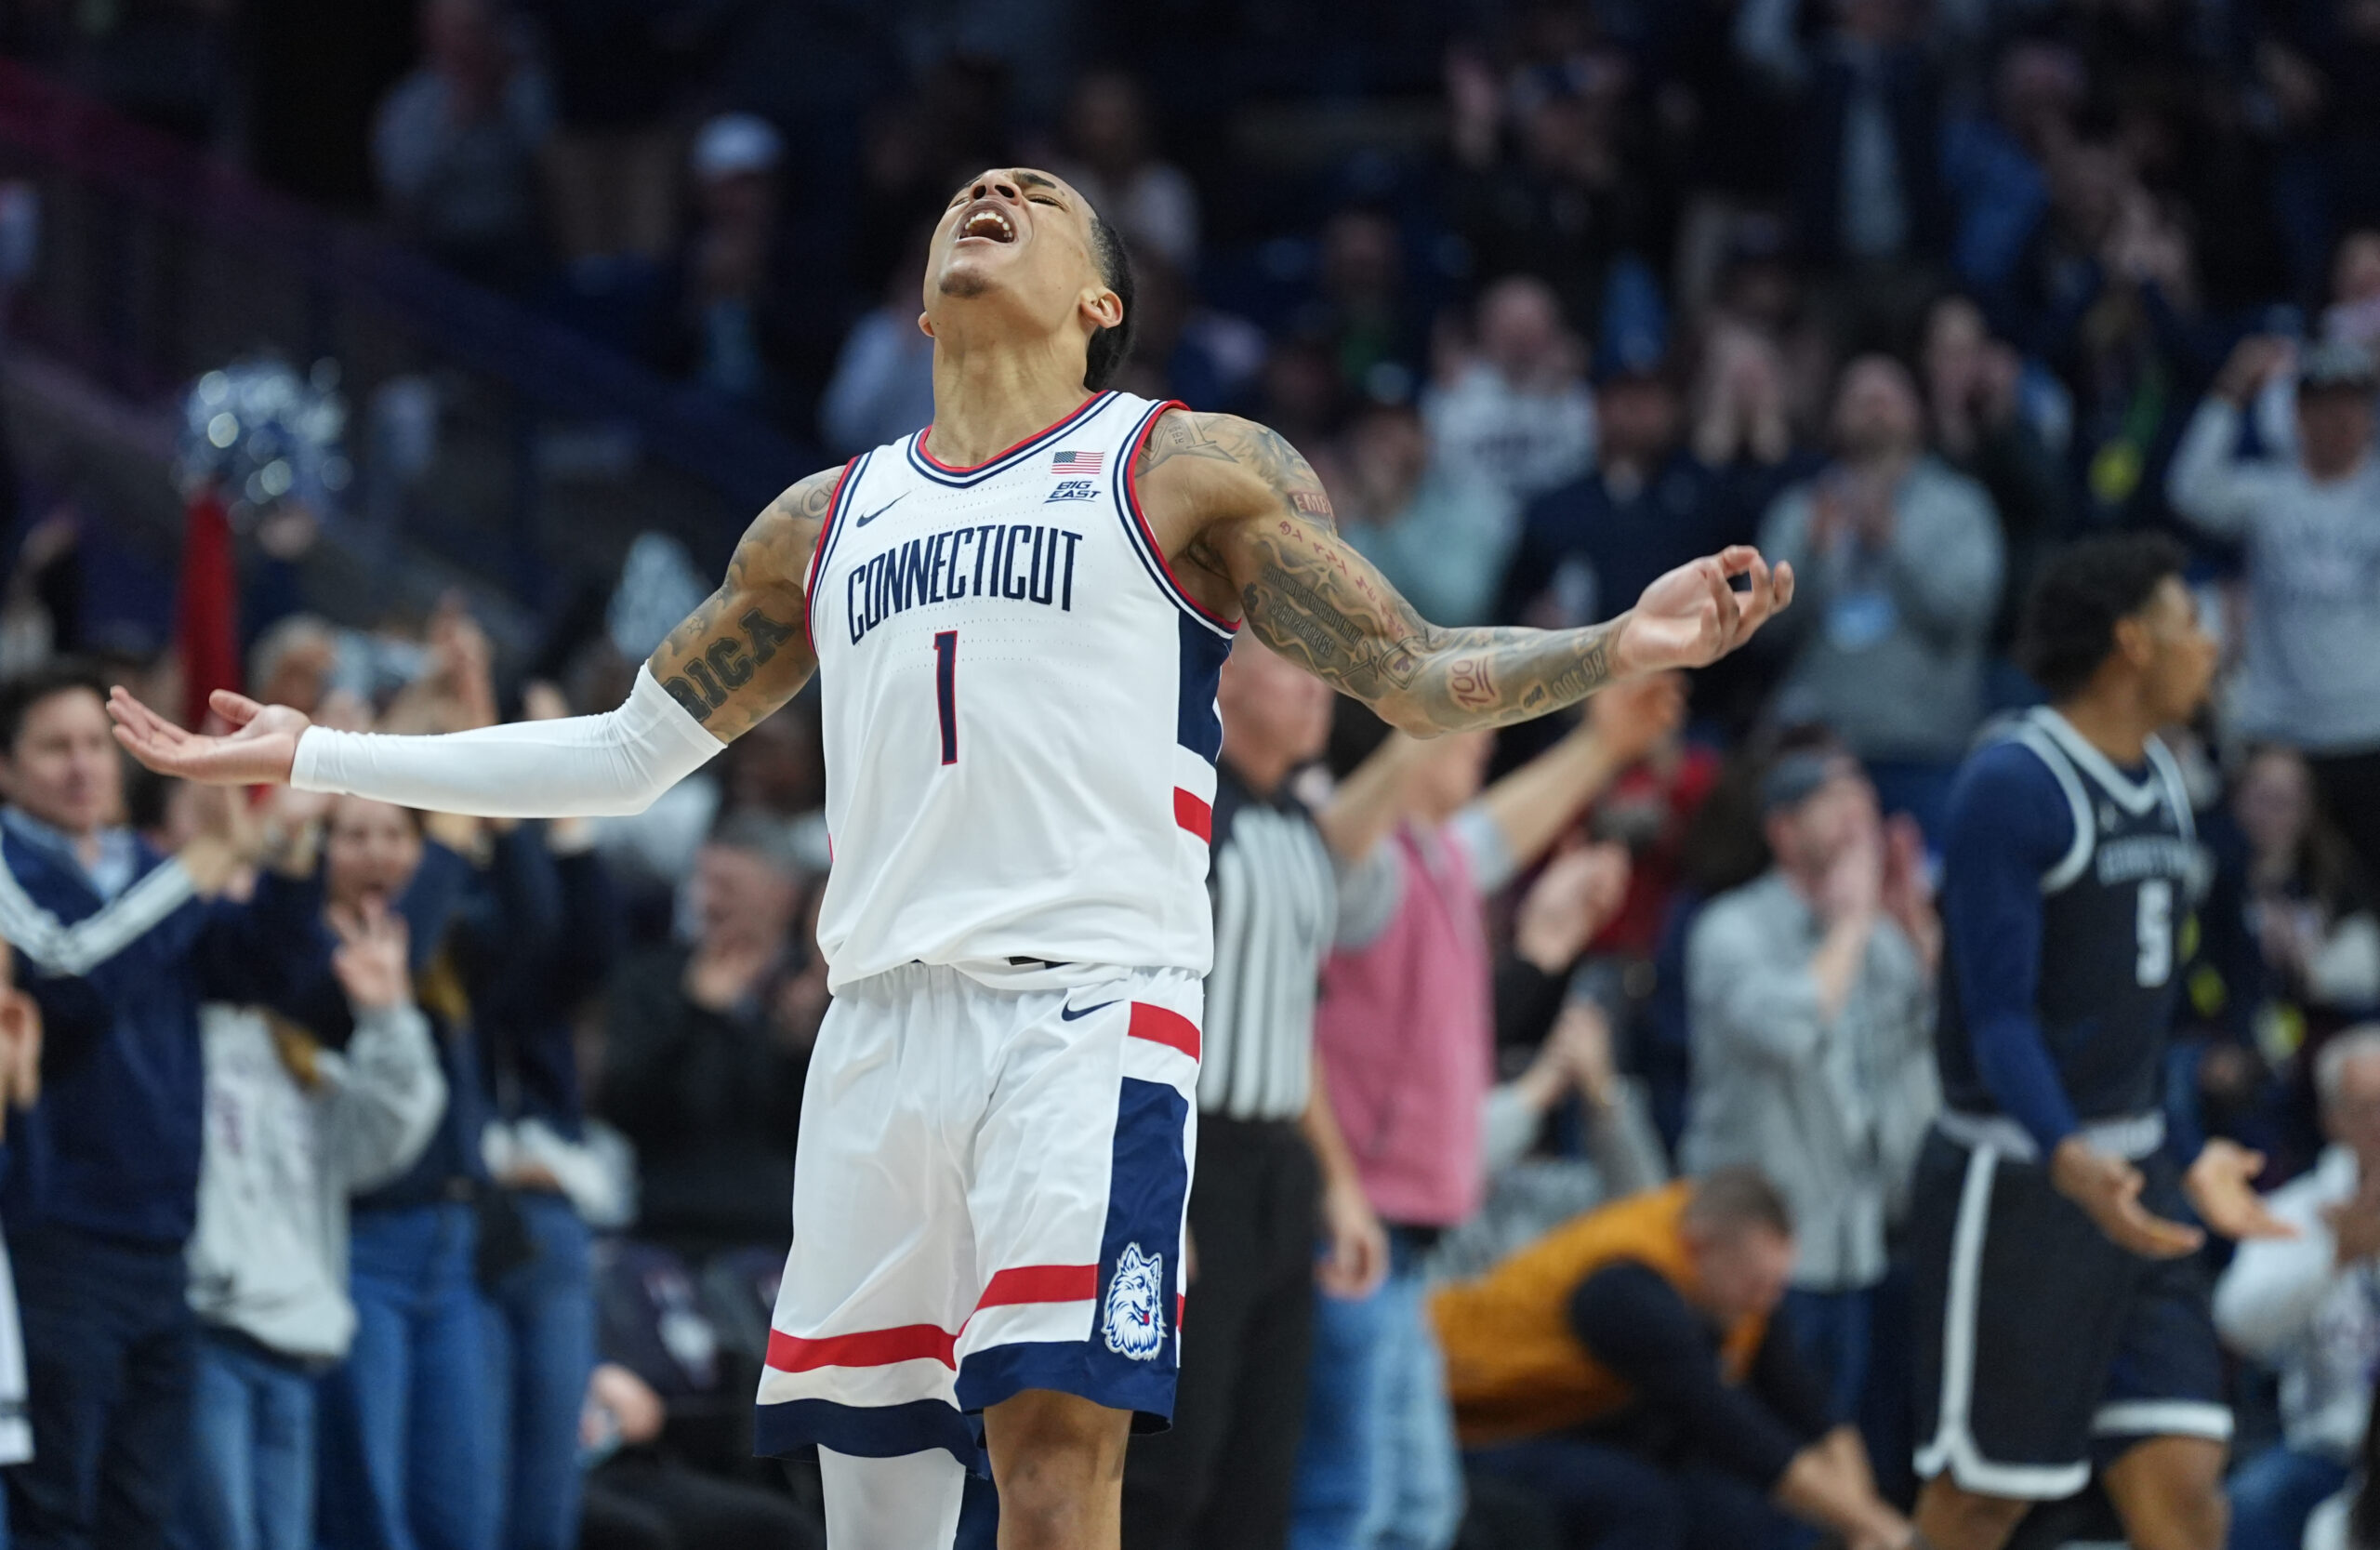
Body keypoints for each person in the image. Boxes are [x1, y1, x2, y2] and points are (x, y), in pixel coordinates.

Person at [103, 164, 1793, 1550]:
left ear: (1102, 305)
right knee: (878, 1508)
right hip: (877, 1030)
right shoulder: (823, 517)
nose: (990, 188)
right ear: (917, 303)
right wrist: (319, 749)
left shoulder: (1176, 462)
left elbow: (1412, 672)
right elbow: (628, 753)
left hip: (1087, 1012)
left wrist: (1622, 648)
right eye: (971, 195)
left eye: (1039, 195)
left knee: (1057, 1465)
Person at [1909, 534, 2292, 1550]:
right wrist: (2068, 1151)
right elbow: (1996, 1015)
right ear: (2130, 642)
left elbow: (2149, 1000)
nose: (2209, 647)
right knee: (1980, 1501)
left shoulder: (2166, 776)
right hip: (2020, 1179)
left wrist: (2191, 1147)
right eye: (2189, 624)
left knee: (2183, 1494)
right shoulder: (2014, 781)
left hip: (2138, 1166)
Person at [1292, 674, 1686, 1550]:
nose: (1484, 742)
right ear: (1409, 734)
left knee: (1416, 1511)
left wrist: (1602, 748)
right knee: (1344, 1505)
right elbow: (1334, 851)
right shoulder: (1359, 863)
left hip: (1407, 1244)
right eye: (1464, 726)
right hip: (1356, 1228)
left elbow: (1500, 832)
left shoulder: (1431, 855)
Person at [0, 661, 306, 1550]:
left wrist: (277, 850)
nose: (83, 766)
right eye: (55, 747)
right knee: (58, 1511)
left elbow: (268, 973)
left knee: (147, 1516)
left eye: (96, 744)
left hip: (165, 1240)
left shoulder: (149, 868)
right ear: (7, 767)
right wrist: (200, 868)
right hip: (57, 1237)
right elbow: (69, 972)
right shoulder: (11, 866)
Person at [1118, 636, 1386, 1550]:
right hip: (1198, 1161)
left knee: (1260, 1474)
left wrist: (1339, 1182)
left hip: (1281, 1169)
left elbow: (1289, 1026)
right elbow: (1131, 1002)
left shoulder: (1300, 829)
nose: (1319, 690)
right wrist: (1154, 1183)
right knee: (1169, 1469)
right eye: (1293, 668)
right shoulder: (1186, 813)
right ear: (1223, 673)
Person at [1435, 1168, 1913, 1550]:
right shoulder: (1625, 1288)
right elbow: (1732, 1428)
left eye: (1775, 1286)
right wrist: (1887, 1529)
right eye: (1754, 1285)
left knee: (1733, 1507)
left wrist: (1865, 1529)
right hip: (1467, 1423)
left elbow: (1809, 1409)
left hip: (1565, 1416)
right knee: (1636, 1501)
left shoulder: (1733, 1276)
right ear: (1697, 1249)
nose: (1766, 1302)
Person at [179, 876, 447, 1550]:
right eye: (233, 883)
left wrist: (388, 1016)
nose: (245, 901)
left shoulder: (298, 1054)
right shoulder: (172, 1040)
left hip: (297, 1341)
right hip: (209, 1332)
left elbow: (390, 1129)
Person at [1681, 738, 1938, 1429]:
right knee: (1768, 1475)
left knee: (1849, 1457)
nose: (1859, 821)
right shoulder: (1730, 929)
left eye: (1865, 803)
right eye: (1836, 804)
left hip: (1859, 1241)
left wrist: (1912, 921)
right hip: (1757, 1254)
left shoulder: (1876, 937)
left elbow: (1934, 1033)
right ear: (1783, 829)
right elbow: (1790, 1032)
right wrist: (1854, 921)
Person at [1759, 354, 2004, 833]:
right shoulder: (1799, 510)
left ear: (1918, 414)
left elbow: (1966, 613)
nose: (1874, 406)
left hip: (1923, 747)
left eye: (1887, 396)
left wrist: (1893, 546)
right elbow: (1761, 633)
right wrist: (1808, 558)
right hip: (1816, 751)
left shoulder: (1959, 506)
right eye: (1859, 397)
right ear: (1834, 418)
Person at [2168, 337, 2380, 884]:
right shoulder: (2271, 492)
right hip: (2279, 730)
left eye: (2353, 402)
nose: (2340, 418)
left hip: (2368, 728)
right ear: (2299, 413)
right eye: (2324, 403)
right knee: (2266, 890)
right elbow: (2189, 489)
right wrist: (2231, 391)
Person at [2214, 1027, 2380, 1550]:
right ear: (2333, 1119)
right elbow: (2238, 1322)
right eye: (2368, 1107)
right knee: (2252, 1504)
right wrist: (2337, 1259)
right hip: (2328, 1450)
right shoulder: (2296, 1211)